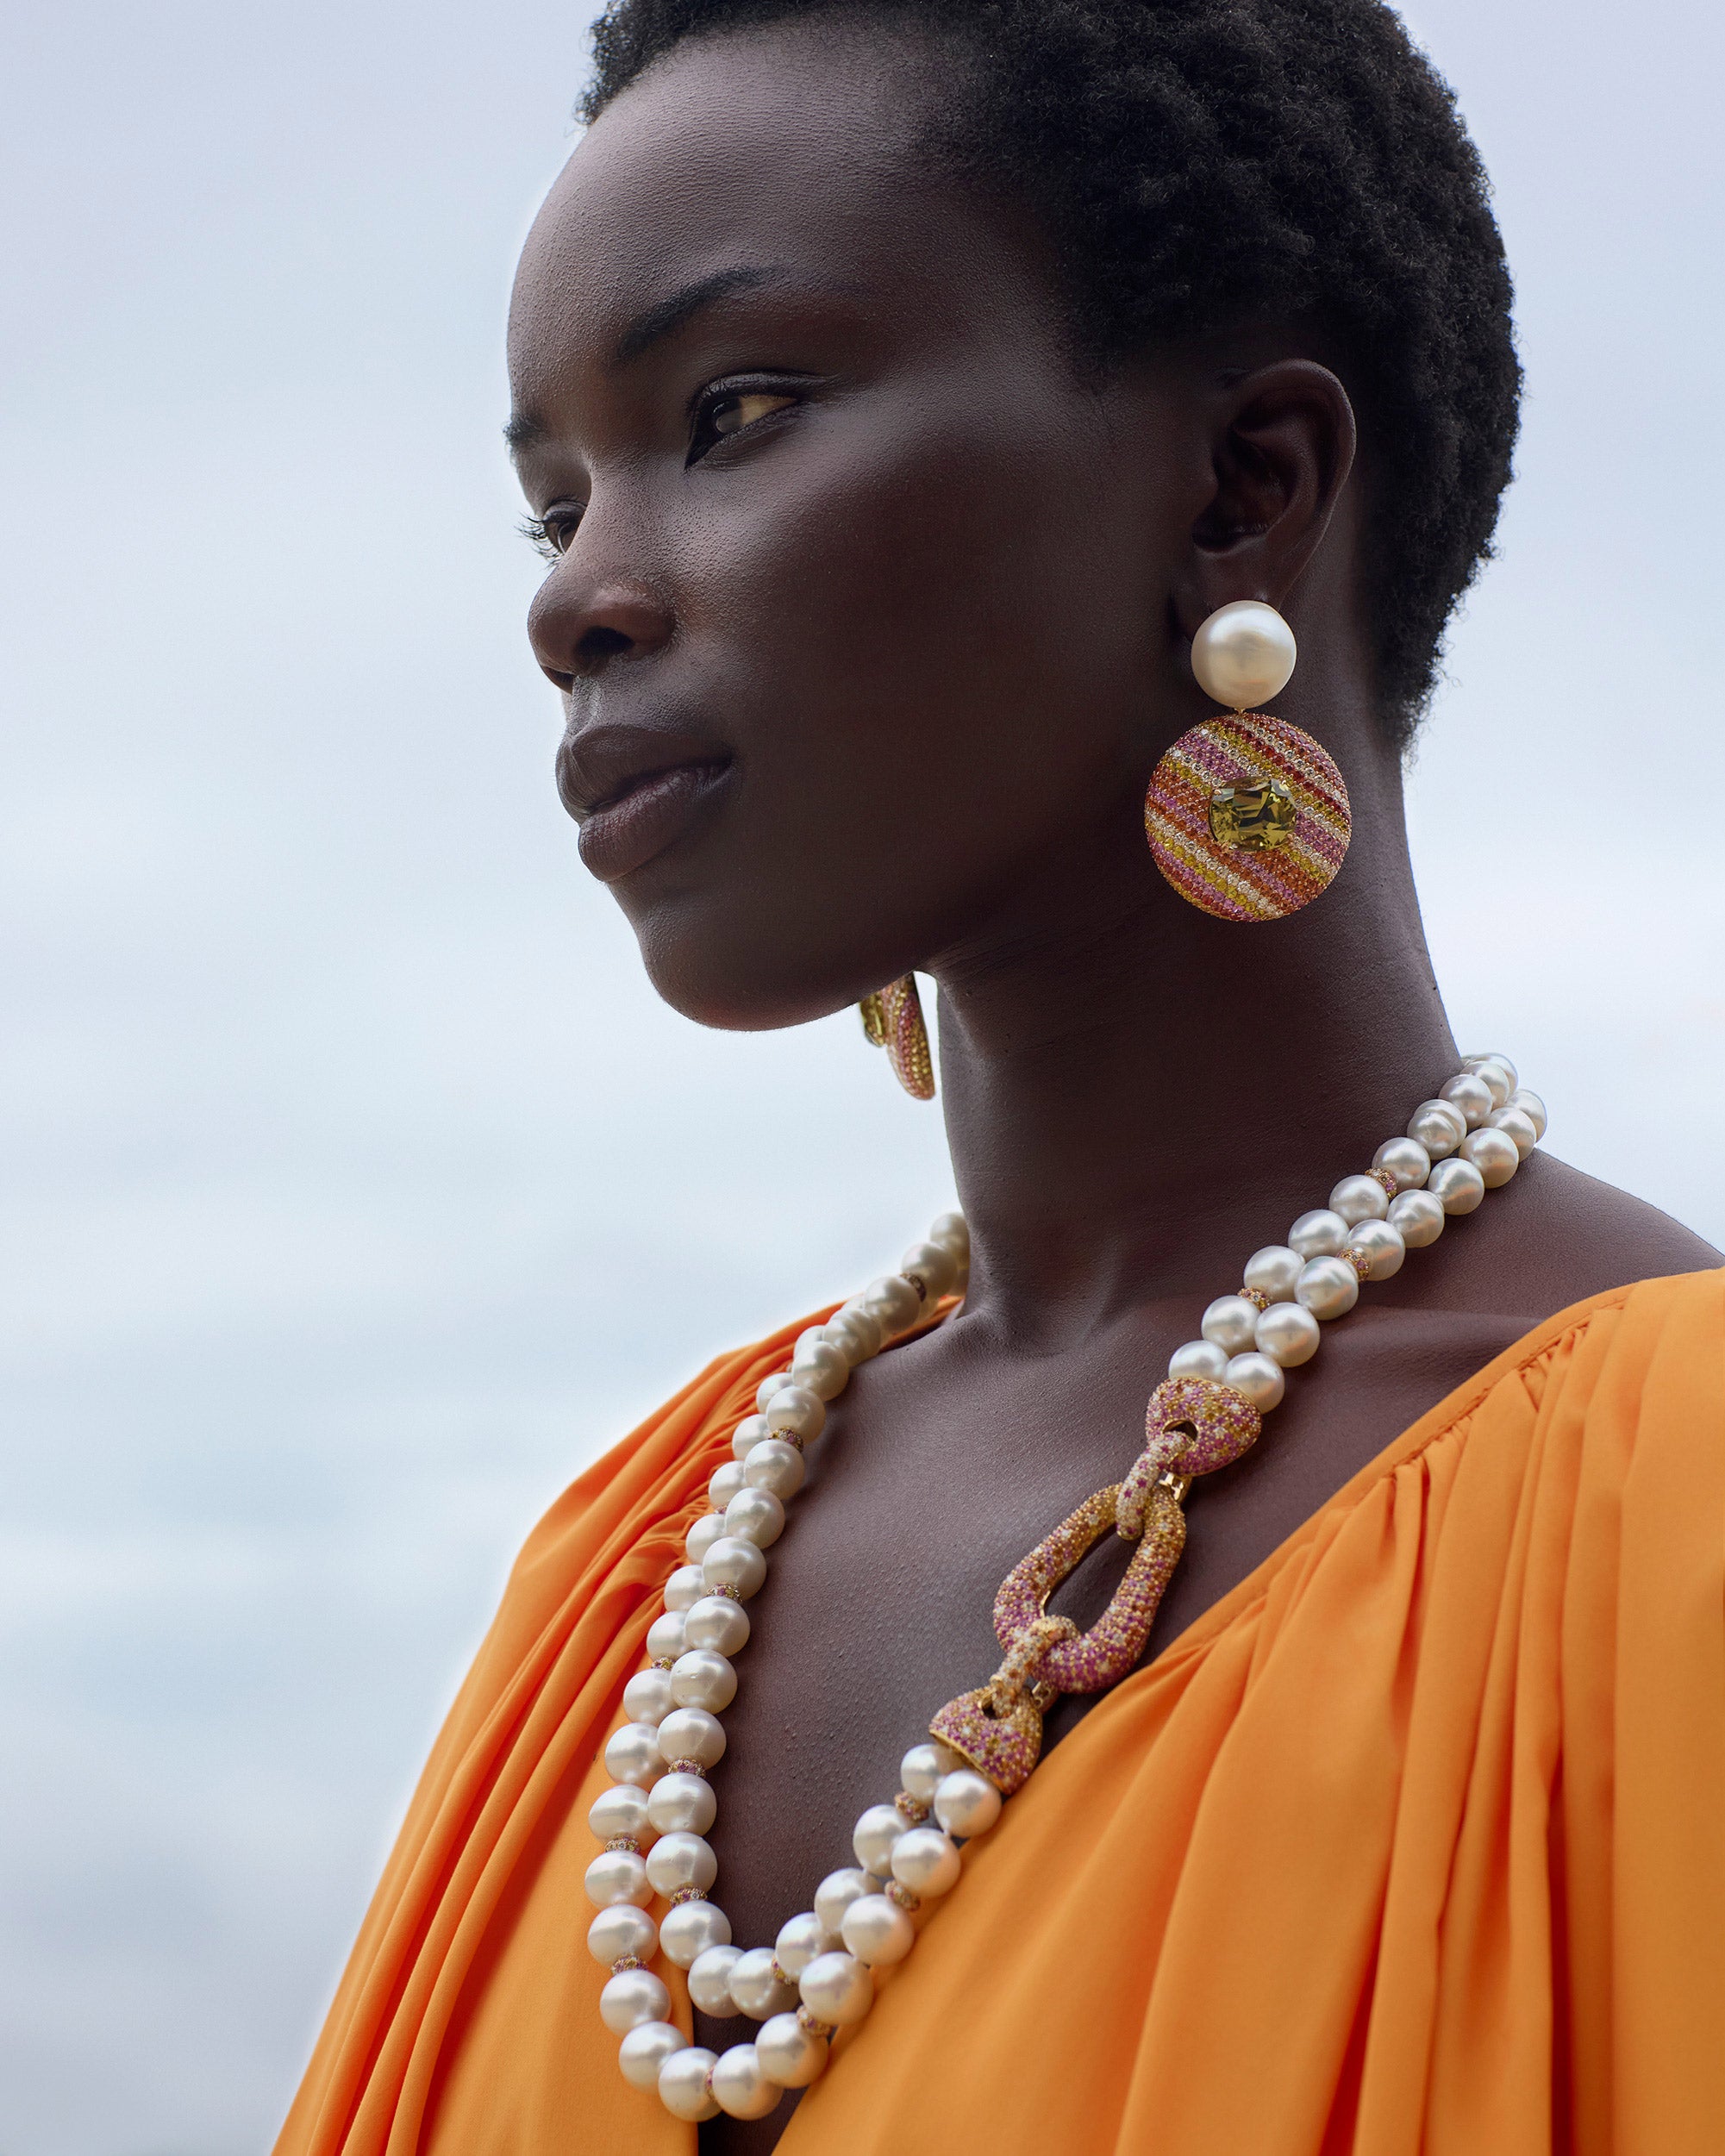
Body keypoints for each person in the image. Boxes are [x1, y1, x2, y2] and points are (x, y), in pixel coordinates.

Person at [276, 2, 1725, 2150]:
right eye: (553, 502)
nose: (575, 596)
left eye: (734, 410)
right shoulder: (616, 1583)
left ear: (1244, 486)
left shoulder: (1663, 1512)